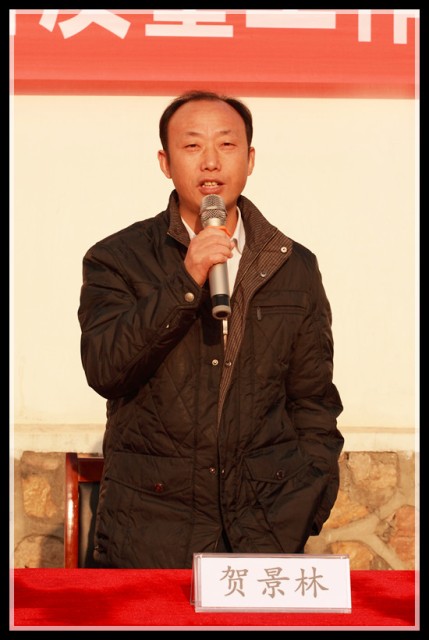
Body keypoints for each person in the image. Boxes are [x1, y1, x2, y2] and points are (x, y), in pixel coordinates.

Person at [78, 90, 344, 569]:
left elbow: (313, 402)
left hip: (265, 529)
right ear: (165, 162)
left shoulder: (293, 265)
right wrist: (187, 279)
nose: (211, 162)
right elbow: (106, 368)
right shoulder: (116, 258)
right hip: (152, 534)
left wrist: (304, 507)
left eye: (226, 144)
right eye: (192, 145)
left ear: (250, 159)